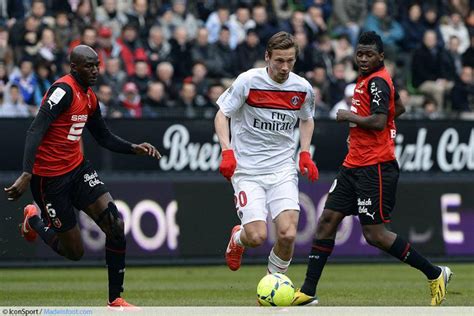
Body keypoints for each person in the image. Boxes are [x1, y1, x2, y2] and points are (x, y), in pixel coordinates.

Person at [292, 31, 452, 307]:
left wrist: (349, 118)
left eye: (369, 54)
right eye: (360, 54)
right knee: (328, 219)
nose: (363, 59)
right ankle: (308, 291)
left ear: (381, 56)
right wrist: (370, 129)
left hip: (375, 167)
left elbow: (379, 121)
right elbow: (397, 107)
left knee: (375, 234)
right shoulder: (370, 79)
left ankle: (435, 273)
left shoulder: (377, 81)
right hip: (353, 164)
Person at [4, 45, 161, 309]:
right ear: (73, 67)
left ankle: (115, 299)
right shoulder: (62, 91)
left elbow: (103, 136)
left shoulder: (90, 98)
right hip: (49, 179)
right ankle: (33, 220)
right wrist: (27, 173)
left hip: (78, 170)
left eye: (97, 65)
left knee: (115, 225)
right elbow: (35, 130)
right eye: (89, 66)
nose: (95, 70)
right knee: (74, 252)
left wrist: (133, 147)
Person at [214, 31, 319, 275]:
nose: (285, 67)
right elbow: (222, 114)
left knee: (288, 233)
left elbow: (307, 119)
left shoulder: (302, 88)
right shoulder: (248, 81)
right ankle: (238, 238)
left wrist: (305, 152)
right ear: (267, 57)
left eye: (290, 61)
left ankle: (275, 283)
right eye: (279, 61)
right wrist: (226, 151)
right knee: (257, 236)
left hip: (282, 169)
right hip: (247, 171)